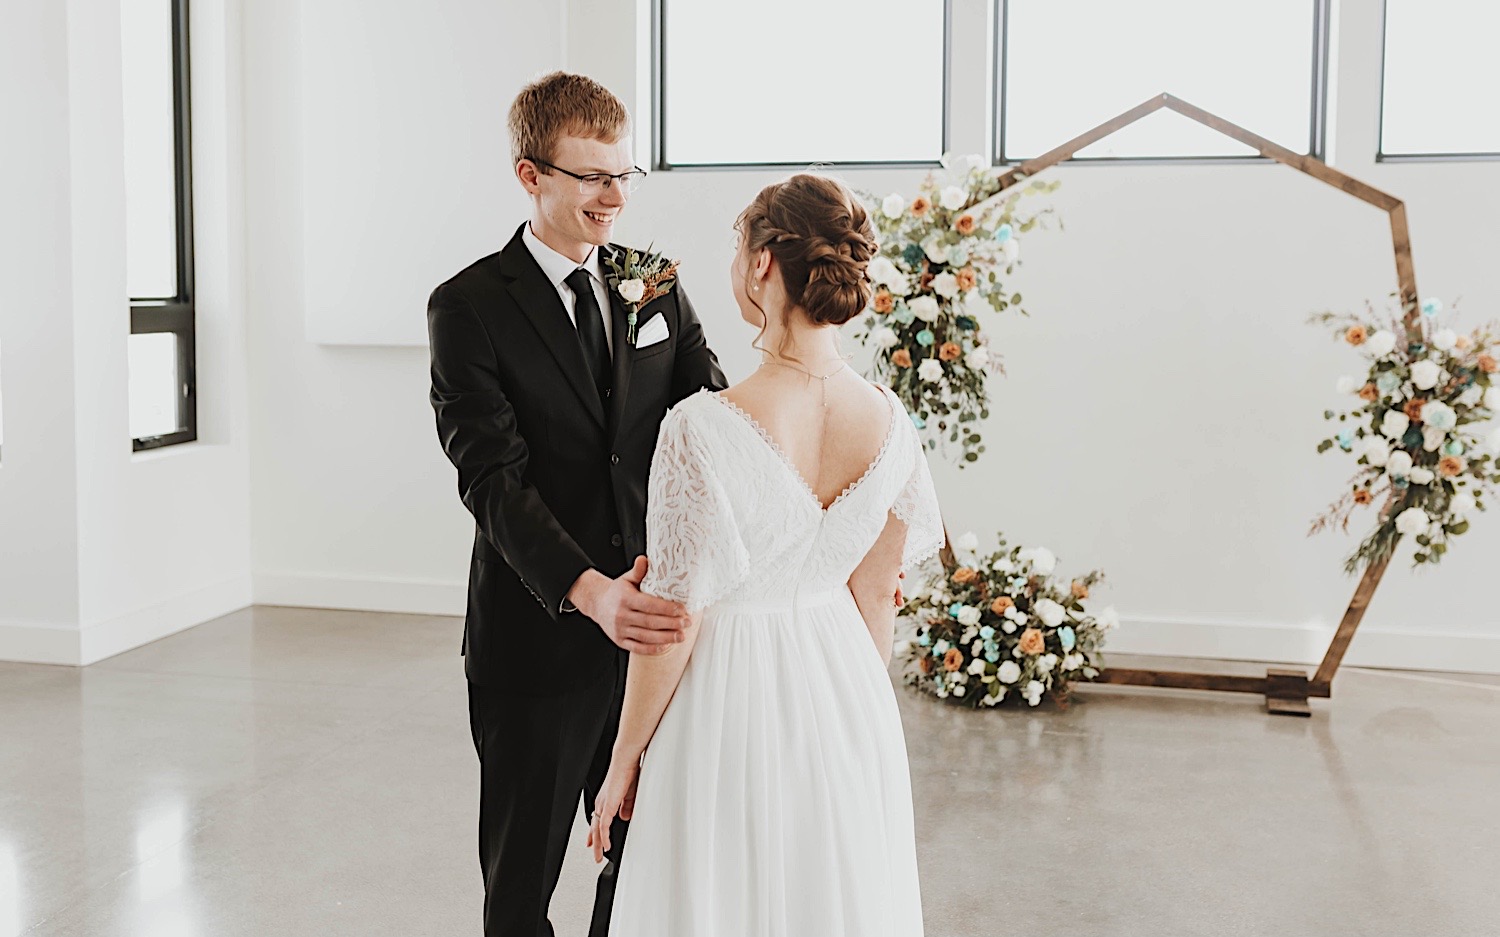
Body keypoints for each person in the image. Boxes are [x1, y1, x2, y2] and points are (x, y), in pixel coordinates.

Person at [587, 173, 945, 936]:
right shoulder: (891, 420)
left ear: (760, 264)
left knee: (724, 896)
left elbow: (675, 618)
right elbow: (878, 594)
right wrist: (843, 712)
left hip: (729, 692)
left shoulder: (699, 427)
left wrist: (624, 759)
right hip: (846, 684)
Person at [426, 71, 727, 937]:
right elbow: (491, 479)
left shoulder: (652, 281)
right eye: (592, 176)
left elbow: (712, 415)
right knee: (523, 884)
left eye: (622, 175)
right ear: (531, 175)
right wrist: (591, 592)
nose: (612, 198)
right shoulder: (469, 306)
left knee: (644, 862)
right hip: (537, 639)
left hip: (653, 640)